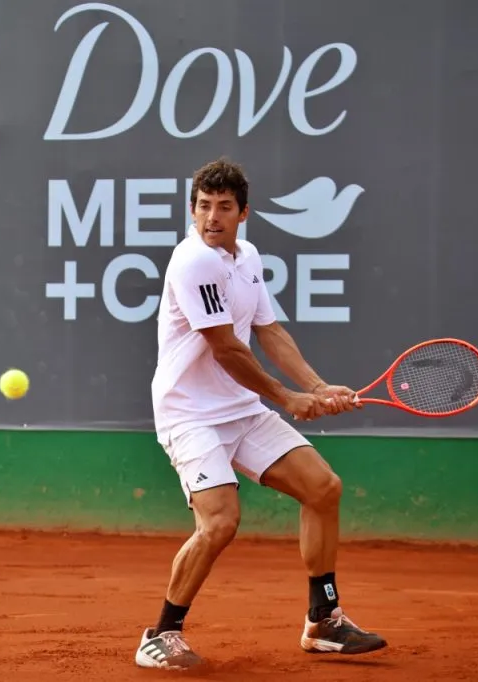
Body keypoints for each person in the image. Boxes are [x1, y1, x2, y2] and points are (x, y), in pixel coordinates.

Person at [134, 158, 388, 670]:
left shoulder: (246, 256)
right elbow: (227, 348)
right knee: (221, 522)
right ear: (192, 209)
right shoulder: (193, 262)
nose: (211, 217)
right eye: (203, 206)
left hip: (239, 407)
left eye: (223, 208)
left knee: (323, 488)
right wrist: (288, 398)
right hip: (190, 414)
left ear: (243, 213)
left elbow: (268, 331)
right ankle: (160, 633)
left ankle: (324, 622)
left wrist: (316, 386)